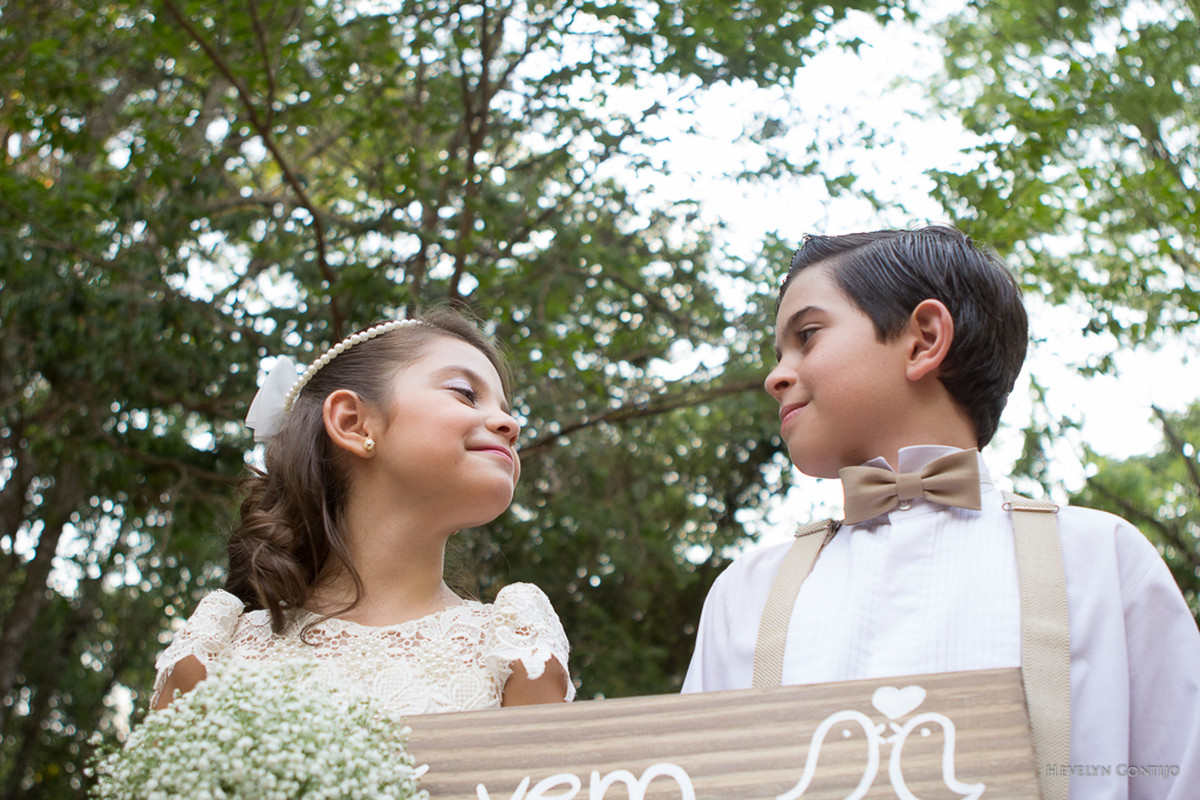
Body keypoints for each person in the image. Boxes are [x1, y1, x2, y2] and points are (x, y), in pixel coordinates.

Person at [682, 226, 1200, 799]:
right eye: (780, 354)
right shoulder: (745, 594)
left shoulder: (1101, 560)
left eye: (807, 336)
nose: (775, 376)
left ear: (924, 339)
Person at [152, 308, 572, 716]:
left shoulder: (515, 644)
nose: (511, 425)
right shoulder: (218, 650)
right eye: (465, 393)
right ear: (353, 422)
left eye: (506, 409)